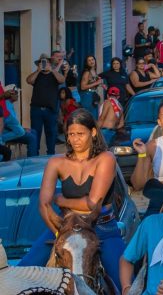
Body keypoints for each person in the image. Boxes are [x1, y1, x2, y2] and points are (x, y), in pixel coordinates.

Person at [19, 109, 125, 291]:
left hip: (101, 228)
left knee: (123, 284)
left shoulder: (106, 158)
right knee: (21, 274)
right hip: (64, 229)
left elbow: (93, 203)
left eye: (80, 134)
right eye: (71, 134)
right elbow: (43, 205)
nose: (75, 139)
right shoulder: (56, 162)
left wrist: (62, 201)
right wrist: (61, 235)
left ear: (92, 132)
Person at [27, 53, 65, 155]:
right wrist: (38, 70)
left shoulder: (54, 74)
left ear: (50, 63)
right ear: (39, 64)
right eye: (42, 62)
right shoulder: (36, 75)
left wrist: (52, 70)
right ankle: (34, 157)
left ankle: (50, 156)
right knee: (35, 133)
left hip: (51, 110)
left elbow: (62, 80)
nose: (44, 64)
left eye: (46, 62)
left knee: (51, 134)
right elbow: (28, 80)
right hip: (36, 110)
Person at [0, 83, 38, 157]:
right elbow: (6, 125)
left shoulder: (9, 104)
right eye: (15, 93)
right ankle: (31, 160)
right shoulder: (6, 105)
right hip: (7, 132)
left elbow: (12, 124)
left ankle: (34, 156)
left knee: (33, 131)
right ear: (9, 94)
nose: (17, 95)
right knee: (31, 137)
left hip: (11, 130)